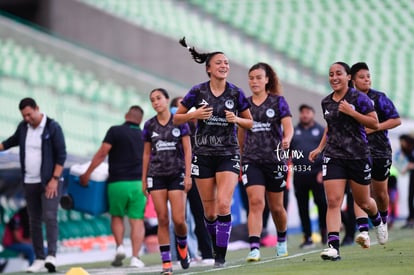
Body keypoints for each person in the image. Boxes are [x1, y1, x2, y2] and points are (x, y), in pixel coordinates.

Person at [174, 37, 253, 267]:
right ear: (209, 68)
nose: (224, 66)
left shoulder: (236, 93)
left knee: (223, 205)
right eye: (219, 62)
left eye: (226, 63)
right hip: (203, 156)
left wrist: (236, 118)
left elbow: (251, 123)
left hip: (228, 154)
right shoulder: (197, 92)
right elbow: (175, 119)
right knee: (209, 213)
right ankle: (214, 243)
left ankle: (220, 255)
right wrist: (192, 115)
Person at [309, 62, 386, 261]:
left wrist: (352, 112)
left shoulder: (359, 98)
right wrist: (319, 148)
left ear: (348, 77)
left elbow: (375, 123)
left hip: (358, 155)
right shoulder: (326, 102)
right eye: (331, 74)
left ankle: (377, 220)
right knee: (333, 201)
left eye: (338, 74)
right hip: (334, 156)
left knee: (363, 201)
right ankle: (333, 247)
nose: (334, 77)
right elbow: (330, 128)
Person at [0, 97, 66, 273]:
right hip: (30, 182)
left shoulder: (52, 127)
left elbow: (61, 155)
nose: (27, 118)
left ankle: (51, 256)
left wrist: (54, 179)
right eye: (24, 116)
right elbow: (9, 142)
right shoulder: (23, 128)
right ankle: (38, 258)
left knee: (50, 216)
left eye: (29, 114)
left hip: (49, 182)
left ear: (37, 108)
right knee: (34, 220)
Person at [237, 62, 293, 262]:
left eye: (258, 77)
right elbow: (241, 133)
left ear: (267, 79)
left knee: (277, 207)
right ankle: (254, 247)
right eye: (251, 78)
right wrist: (240, 158)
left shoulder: (278, 101)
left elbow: (288, 127)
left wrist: (287, 139)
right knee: (256, 202)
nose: (254, 81)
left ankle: (281, 241)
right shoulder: (244, 103)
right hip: (251, 160)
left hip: (275, 161)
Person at [79, 105, 147, 268]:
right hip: (139, 184)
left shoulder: (115, 131)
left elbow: (102, 153)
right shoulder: (144, 135)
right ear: (140, 120)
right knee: (137, 220)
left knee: (117, 216)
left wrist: (87, 173)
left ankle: (119, 247)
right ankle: (136, 257)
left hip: (117, 183)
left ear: (126, 116)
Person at [349, 62, 401, 248]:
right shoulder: (347, 100)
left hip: (380, 151)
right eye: (362, 77)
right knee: (360, 192)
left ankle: (383, 222)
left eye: (368, 76)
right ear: (353, 80)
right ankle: (363, 231)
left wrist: (375, 127)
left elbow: (396, 120)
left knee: (380, 193)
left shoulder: (379, 98)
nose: (367, 80)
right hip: (358, 152)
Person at [142, 88, 192, 275]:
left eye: (159, 98)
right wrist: (144, 179)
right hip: (156, 176)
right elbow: (146, 153)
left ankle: (183, 247)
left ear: (166, 100)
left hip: (177, 174)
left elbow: (188, 150)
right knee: (162, 219)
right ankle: (166, 263)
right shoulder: (149, 125)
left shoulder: (180, 122)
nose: (156, 102)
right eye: (152, 99)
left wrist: (188, 175)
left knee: (179, 220)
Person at [169, 97, 214, 263]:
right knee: (178, 218)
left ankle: (207, 253)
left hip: (196, 174)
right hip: (175, 175)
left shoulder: (197, 126)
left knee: (201, 214)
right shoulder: (170, 126)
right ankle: (179, 255)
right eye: (180, 106)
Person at [290, 104, 327, 249]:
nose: (305, 115)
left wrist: (322, 171)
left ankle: (325, 231)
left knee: (321, 204)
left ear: (313, 113)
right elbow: (287, 151)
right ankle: (307, 237)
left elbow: (327, 151)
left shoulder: (321, 131)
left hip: (317, 174)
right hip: (299, 174)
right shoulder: (294, 131)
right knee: (302, 206)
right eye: (302, 113)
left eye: (307, 112)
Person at [397, 134, 414, 228]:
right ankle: (410, 218)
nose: (401, 144)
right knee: (410, 197)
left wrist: (409, 166)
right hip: (412, 175)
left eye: (402, 141)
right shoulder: (407, 151)